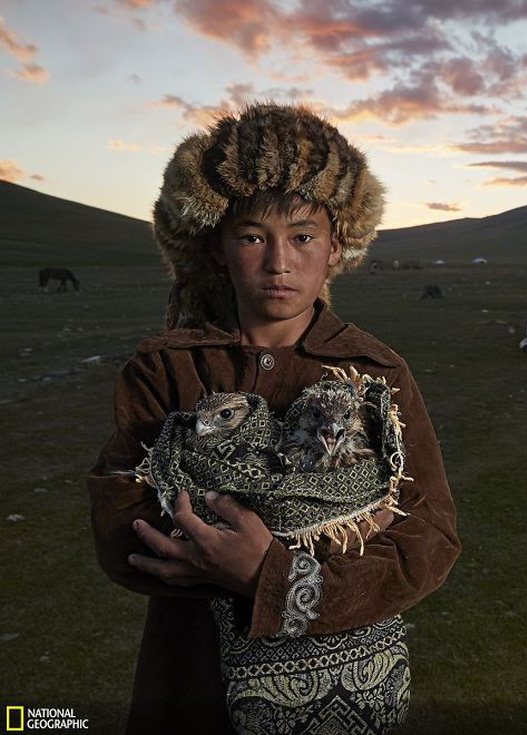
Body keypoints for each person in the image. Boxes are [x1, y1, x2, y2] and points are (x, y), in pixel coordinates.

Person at [87, 102, 462, 734]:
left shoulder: (378, 375)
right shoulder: (167, 370)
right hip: (190, 682)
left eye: (303, 237)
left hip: (340, 691)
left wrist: (274, 577)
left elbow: (428, 542)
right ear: (219, 247)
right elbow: (121, 529)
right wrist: (250, 554)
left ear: (337, 245)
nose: (279, 262)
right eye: (254, 236)